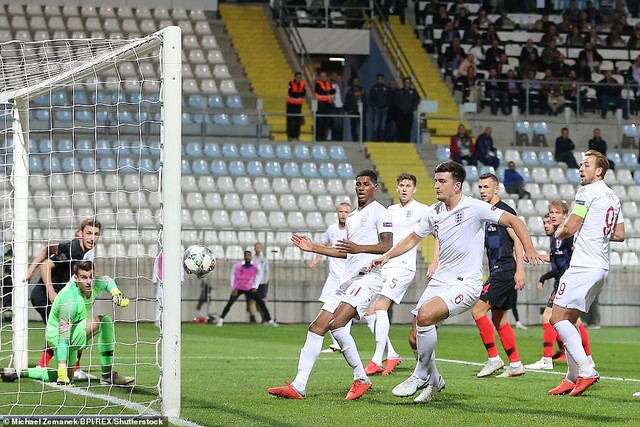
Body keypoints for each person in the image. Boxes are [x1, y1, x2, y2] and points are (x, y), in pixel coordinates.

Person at [369, 161, 542, 403]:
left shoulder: (475, 207)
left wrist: (529, 249)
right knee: (413, 337)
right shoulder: (434, 212)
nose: (437, 185)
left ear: (457, 185)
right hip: (440, 281)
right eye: (436, 180)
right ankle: (434, 379)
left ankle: (419, 375)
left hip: (466, 283)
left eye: (442, 181)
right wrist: (386, 255)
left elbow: (516, 221)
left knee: (426, 316)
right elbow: (412, 238)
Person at [267, 170, 393, 400]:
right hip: (348, 279)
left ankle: (361, 378)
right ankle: (299, 385)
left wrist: (360, 249)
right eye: (358, 184)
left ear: (375, 187)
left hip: (369, 277)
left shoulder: (380, 212)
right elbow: (344, 252)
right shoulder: (353, 217)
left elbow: (387, 245)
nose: (361, 187)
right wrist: (314, 248)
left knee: (337, 324)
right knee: (317, 327)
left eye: (366, 184)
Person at [548, 150, 624, 396]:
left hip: (583, 266)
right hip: (600, 267)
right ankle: (571, 378)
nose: (581, 169)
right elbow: (620, 234)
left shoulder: (587, 192)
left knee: (556, 318)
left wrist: (559, 232)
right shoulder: (613, 197)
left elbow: (569, 227)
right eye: (580, 165)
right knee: (568, 320)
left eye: (587, 165)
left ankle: (587, 369)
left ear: (599, 170)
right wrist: (595, 231)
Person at [1, 260, 134, 386]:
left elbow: (107, 280)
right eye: (84, 277)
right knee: (104, 321)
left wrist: (116, 292)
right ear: (76, 279)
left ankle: (18, 373)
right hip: (57, 336)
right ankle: (107, 376)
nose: (89, 282)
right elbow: (63, 338)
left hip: (74, 328)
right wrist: (62, 368)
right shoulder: (69, 301)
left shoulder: (95, 283)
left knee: (69, 379)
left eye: (91, 277)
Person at [362, 173, 429, 376]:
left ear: (414, 189)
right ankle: (391, 354)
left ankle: (375, 360)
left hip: (403, 267)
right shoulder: (389, 211)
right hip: (386, 266)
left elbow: (438, 232)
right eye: (401, 185)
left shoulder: (422, 210)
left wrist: (435, 261)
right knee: (368, 313)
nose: (404, 188)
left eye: (408, 185)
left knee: (380, 307)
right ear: (396, 188)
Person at [27, 219, 101, 378]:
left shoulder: (78, 250)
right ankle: (69, 369)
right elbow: (46, 264)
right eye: (89, 233)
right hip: (44, 297)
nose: (92, 238)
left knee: (68, 330)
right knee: (68, 331)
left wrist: (30, 270)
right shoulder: (72, 251)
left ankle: (48, 366)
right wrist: (51, 292)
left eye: (96, 235)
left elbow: (48, 249)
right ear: (80, 234)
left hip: (57, 298)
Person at [473, 173, 526, 378]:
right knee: (499, 320)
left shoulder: (504, 211)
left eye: (486, 187)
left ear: (496, 189)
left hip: (505, 269)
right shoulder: (487, 213)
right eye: (480, 187)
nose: (483, 190)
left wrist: (520, 269)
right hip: (498, 269)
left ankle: (494, 359)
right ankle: (516, 364)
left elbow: (518, 239)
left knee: (478, 311)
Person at [308, 202, 352, 353]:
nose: (343, 214)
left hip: (348, 277)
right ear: (337, 213)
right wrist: (316, 259)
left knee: (346, 308)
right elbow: (323, 245)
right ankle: (337, 343)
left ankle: (341, 341)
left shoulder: (353, 229)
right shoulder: (332, 229)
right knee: (327, 305)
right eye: (341, 211)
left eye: (346, 212)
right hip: (334, 276)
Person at [218, 251, 277, 327]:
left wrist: (255, 286)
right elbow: (232, 275)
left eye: (249, 256)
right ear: (244, 256)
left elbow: (259, 275)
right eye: (246, 255)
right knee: (230, 303)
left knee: (261, 303)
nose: (248, 257)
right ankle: (221, 320)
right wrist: (233, 288)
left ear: (251, 256)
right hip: (238, 288)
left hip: (249, 288)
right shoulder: (238, 265)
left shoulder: (255, 266)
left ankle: (269, 320)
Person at [247, 242, 270, 324]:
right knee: (252, 300)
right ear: (254, 248)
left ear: (261, 248)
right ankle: (253, 318)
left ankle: (264, 318)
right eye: (256, 247)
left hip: (262, 283)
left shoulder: (264, 259)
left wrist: (266, 281)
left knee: (263, 300)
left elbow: (267, 272)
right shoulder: (252, 259)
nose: (258, 249)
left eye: (259, 247)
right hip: (253, 283)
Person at [395, 77, 420, 143]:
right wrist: (399, 107)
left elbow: (417, 100)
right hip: (400, 113)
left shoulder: (413, 92)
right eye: (406, 83)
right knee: (400, 128)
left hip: (409, 113)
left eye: (408, 83)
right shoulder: (399, 91)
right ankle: (399, 141)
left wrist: (412, 107)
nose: (407, 84)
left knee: (408, 128)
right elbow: (396, 101)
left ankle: (407, 142)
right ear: (403, 83)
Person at [314, 71, 335, 142]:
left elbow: (333, 91)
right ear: (319, 77)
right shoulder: (317, 84)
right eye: (322, 76)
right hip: (321, 104)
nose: (323, 78)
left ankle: (323, 136)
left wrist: (326, 91)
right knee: (320, 121)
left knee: (326, 122)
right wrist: (328, 91)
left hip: (328, 105)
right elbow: (320, 92)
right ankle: (318, 136)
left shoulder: (328, 83)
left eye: (325, 76)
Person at [369, 73, 391, 142]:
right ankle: (374, 140)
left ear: (383, 80)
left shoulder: (386, 88)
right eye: (379, 79)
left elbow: (389, 98)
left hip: (384, 109)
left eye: (381, 79)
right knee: (375, 125)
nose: (380, 80)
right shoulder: (373, 88)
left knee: (383, 126)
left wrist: (387, 106)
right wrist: (373, 106)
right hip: (376, 109)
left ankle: (382, 140)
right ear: (376, 80)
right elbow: (370, 98)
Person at [286, 72, 306, 141]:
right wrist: (299, 94)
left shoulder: (303, 84)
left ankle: (296, 136)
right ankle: (290, 136)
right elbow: (291, 94)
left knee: (297, 122)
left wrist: (297, 94)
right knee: (290, 121)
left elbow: (303, 93)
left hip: (298, 105)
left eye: (300, 77)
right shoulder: (291, 83)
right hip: (290, 105)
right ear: (294, 77)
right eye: (297, 77)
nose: (298, 79)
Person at [331, 72, 345, 141]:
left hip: (341, 107)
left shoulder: (341, 86)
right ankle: (334, 138)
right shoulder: (331, 85)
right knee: (335, 123)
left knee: (340, 124)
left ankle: (340, 138)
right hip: (334, 107)